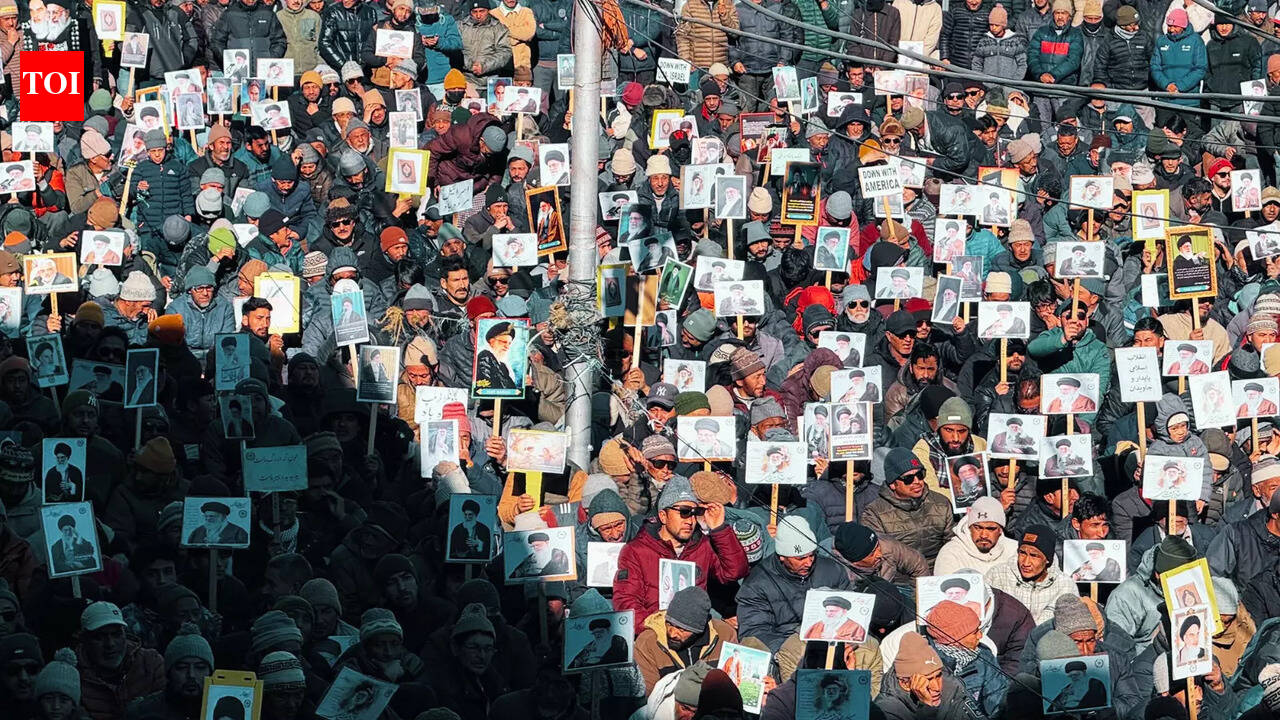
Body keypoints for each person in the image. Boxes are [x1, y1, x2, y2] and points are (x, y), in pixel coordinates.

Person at [474, 321, 519, 391]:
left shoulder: (503, 366)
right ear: (492, 341)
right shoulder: (485, 357)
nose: (507, 347)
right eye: (504, 342)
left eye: (509, 343)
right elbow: (484, 387)